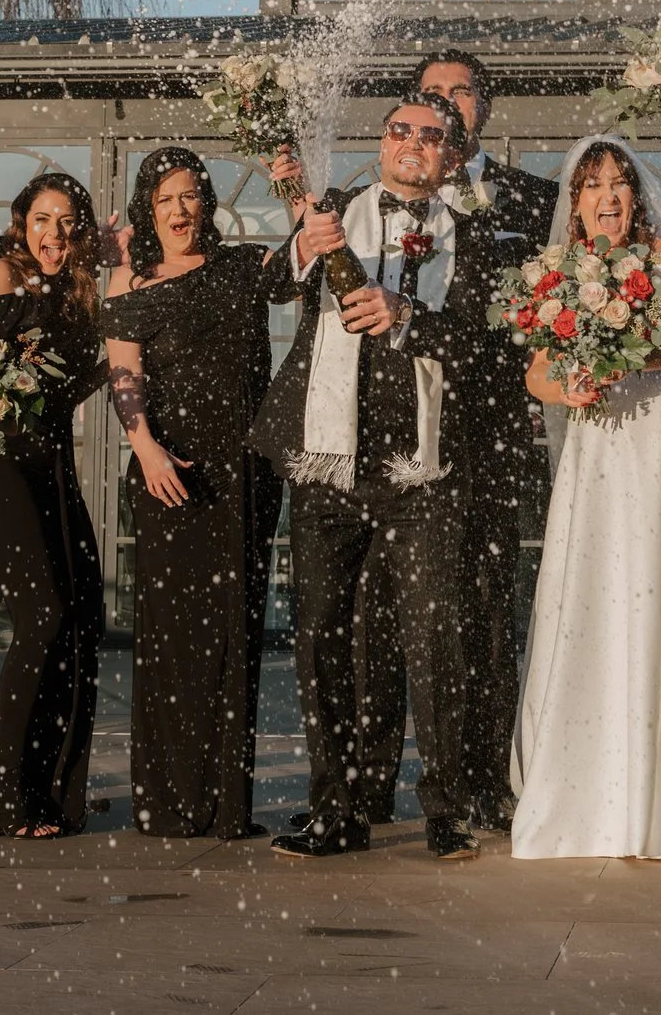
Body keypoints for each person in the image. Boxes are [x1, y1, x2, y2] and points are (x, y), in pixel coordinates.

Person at [247, 93, 500, 861]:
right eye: (399, 131)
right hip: (328, 462)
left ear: (452, 155)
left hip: (423, 469)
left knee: (435, 643)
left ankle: (447, 810)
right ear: (381, 143)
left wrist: (410, 315)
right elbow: (272, 287)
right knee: (322, 639)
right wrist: (300, 245)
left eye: (430, 136)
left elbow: (496, 350)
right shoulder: (333, 210)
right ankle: (338, 809)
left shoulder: (479, 238)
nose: (412, 144)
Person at [509, 136, 661, 862]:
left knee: (660, 593)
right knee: (593, 599)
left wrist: (616, 342)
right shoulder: (557, 272)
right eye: (593, 184)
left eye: (619, 183)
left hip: (656, 438)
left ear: (635, 195)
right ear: (575, 200)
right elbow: (538, 370)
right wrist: (565, 384)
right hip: (595, 450)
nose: (606, 195)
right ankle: (588, 780)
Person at [104, 146, 280, 840]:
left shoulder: (245, 266)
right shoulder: (130, 277)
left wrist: (293, 180)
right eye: (165, 199)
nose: (179, 210)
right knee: (171, 637)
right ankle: (171, 800)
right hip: (167, 470)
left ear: (206, 202)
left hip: (242, 473)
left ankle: (225, 803)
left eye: (189, 196)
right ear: (150, 209)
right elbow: (125, 376)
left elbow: (310, 262)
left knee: (234, 633)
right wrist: (144, 447)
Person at [415, 48, 557, 834]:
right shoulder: (393, 199)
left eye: (458, 92)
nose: (446, 104)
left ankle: (494, 778)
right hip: (422, 427)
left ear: (485, 108)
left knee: (498, 605)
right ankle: (432, 782)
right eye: (431, 94)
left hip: (507, 429)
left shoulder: (536, 201)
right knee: (434, 609)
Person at [0, 174, 107, 838]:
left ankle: (49, 794)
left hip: (49, 462)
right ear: (21, 221)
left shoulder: (78, 292)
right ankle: (4, 796)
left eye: (68, 221)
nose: (55, 233)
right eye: (43, 219)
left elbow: (61, 393)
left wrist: (120, 367)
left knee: (79, 621)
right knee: (43, 616)